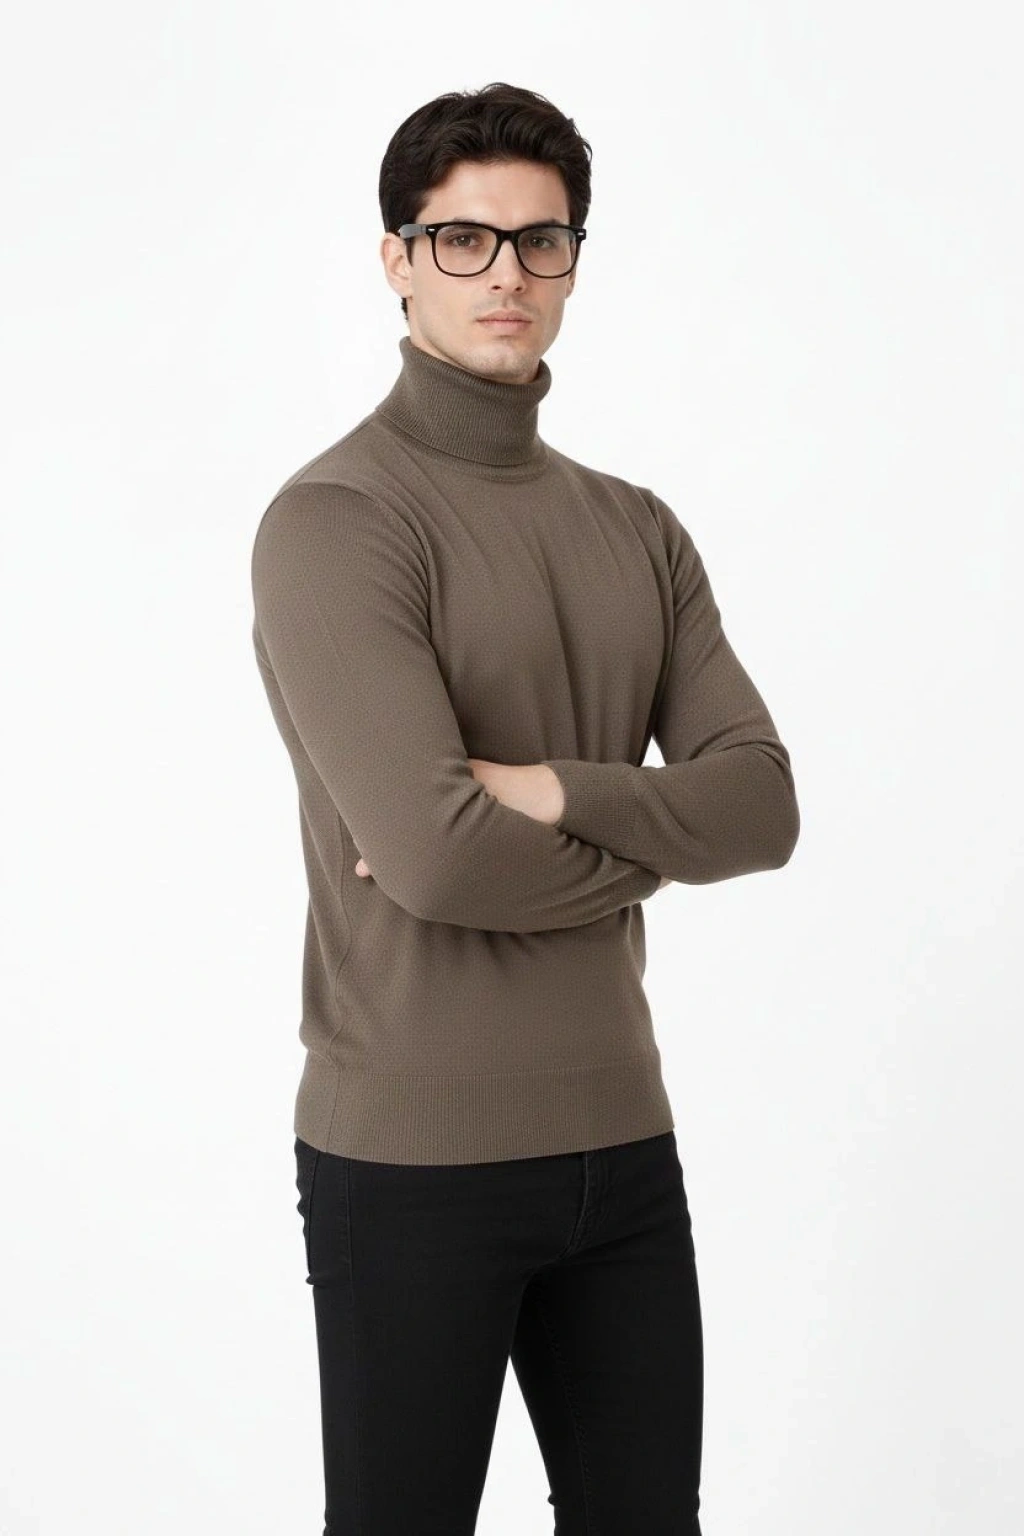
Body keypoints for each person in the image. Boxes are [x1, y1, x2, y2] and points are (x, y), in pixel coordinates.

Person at [250, 80, 799, 1536]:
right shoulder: (338, 521)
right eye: (465, 239)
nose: (507, 274)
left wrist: (552, 792)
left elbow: (763, 805)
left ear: (573, 260)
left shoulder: (637, 527)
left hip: (624, 1143)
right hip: (409, 1159)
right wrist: (652, 845)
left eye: (541, 241)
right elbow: (437, 860)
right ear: (398, 259)